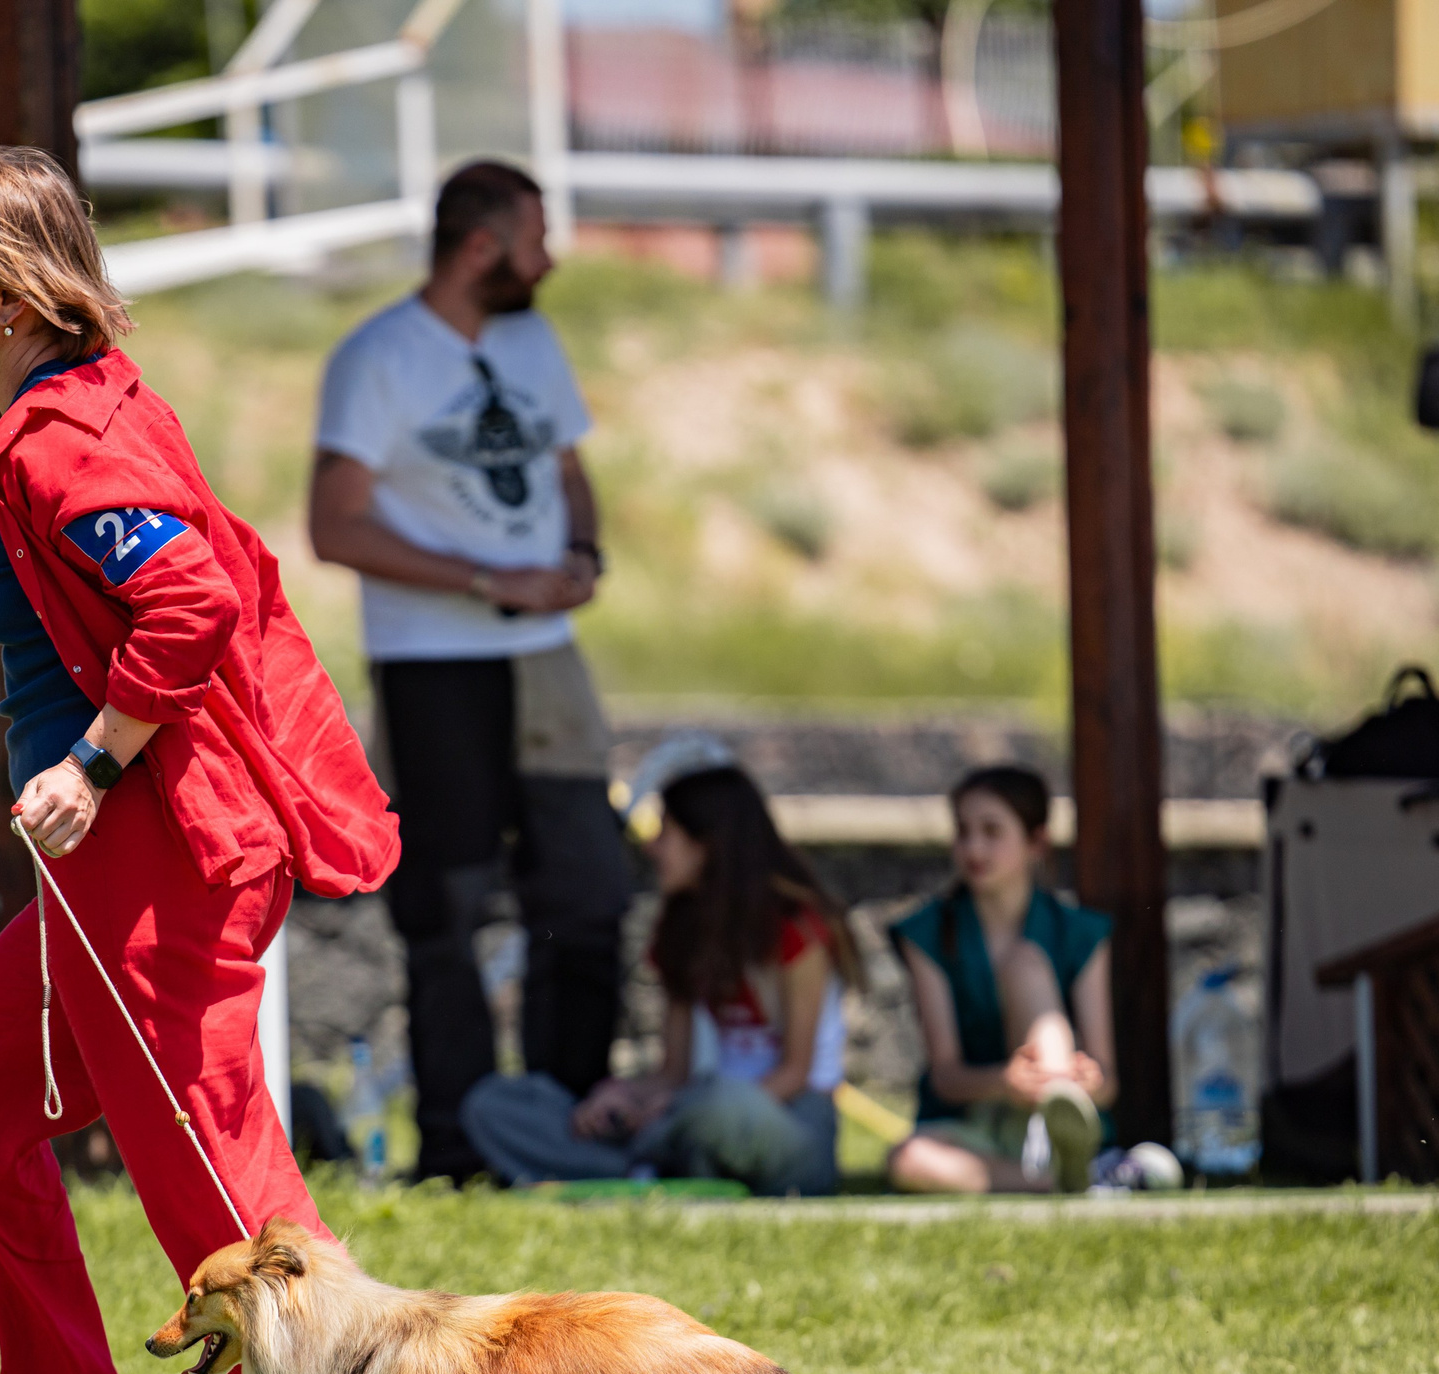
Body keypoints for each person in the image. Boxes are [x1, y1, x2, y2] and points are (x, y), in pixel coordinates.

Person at [0, 143, 413, 1374]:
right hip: (108, 878)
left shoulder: (61, 436)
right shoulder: (69, 411)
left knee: (217, 1186)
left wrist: (92, 760)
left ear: (3, 293)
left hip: (158, 862)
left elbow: (184, 604)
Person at [308, 160, 632, 1184]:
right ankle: (455, 1145)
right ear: (481, 247)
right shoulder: (378, 358)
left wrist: (580, 557)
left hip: (544, 660)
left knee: (586, 892)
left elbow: (568, 474)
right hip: (432, 664)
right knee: (443, 911)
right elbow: (333, 523)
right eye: (536, 237)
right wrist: (485, 577)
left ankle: (569, 1127)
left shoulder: (533, 341)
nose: (551, 258)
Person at [460, 763, 853, 1196]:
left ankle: (641, 1169)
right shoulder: (681, 928)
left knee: (720, 1108)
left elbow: (795, 1073)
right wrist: (621, 1097)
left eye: (666, 832)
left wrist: (679, 1108)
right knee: (496, 1104)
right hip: (689, 1116)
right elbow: (674, 1071)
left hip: (784, 1121)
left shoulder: (797, 928)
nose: (651, 847)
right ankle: (656, 1172)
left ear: (708, 844)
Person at [883, 766, 1181, 1194]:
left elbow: (1108, 1080)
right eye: (963, 831)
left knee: (1025, 965)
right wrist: (1004, 1084)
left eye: (991, 831)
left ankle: (1066, 1127)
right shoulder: (927, 932)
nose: (973, 847)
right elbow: (945, 1077)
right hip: (976, 1127)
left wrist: (1082, 1082)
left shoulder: (1081, 933)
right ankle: (1084, 1182)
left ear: (1036, 842)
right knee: (909, 1160)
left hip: (1054, 1123)